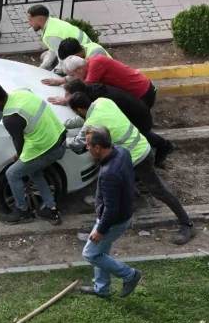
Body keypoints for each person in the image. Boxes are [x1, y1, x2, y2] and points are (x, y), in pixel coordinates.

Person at [67, 93, 196, 245]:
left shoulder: (92, 123)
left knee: (158, 190)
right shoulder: (103, 101)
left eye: (76, 112)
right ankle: (134, 194)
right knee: (117, 179)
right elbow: (84, 120)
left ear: (80, 110)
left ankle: (187, 224)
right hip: (139, 147)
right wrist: (65, 123)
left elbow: (77, 143)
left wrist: (60, 137)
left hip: (138, 157)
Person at [0, 81, 66, 225]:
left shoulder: (10, 118)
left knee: (12, 174)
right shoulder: (22, 93)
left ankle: (22, 211)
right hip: (58, 136)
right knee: (33, 172)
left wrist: (19, 156)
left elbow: (18, 142)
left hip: (48, 148)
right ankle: (51, 209)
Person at [80, 126, 143, 298]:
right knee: (102, 252)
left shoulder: (109, 174)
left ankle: (130, 275)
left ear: (98, 148)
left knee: (90, 254)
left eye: (88, 145)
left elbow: (111, 209)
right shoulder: (121, 151)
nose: (87, 148)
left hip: (114, 220)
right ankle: (102, 289)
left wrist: (100, 230)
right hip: (124, 212)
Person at [55, 78, 175, 166]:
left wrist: (57, 139)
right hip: (137, 110)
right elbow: (83, 118)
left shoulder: (96, 103)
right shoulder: (93, 97)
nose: (65, 97)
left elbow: (79, 138)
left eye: (67, 95)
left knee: (137, 137)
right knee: (135, 134)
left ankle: (163, 149)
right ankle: (163, 147)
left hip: (138, 116)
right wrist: (63, 124)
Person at [26, 4, 91, 73]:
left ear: (39, 20)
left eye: (30, 20)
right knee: (44, 56)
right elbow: (53, 50)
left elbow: (62, 61)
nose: (29, 23)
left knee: (58, 71)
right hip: (83, 49)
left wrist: (52, 74)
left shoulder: (52, 35)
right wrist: (41, 69)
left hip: (82, 57)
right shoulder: (51, 22)